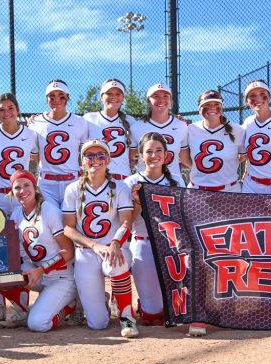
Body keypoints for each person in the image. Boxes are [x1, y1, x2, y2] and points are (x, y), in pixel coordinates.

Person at [61, 139, 139, 338]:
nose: (95, 160)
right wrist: (94, 245)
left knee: (116, 264)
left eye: (100, 155)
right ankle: (103, 300)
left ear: (108, 159)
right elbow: (68, 228)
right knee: (97, 324)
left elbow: (126, 222)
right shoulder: (73, 189)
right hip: (87, 252)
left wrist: (115, 244)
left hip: (113, 248)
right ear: (82, 161)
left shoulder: (119, 187)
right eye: (89, 156)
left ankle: (126, 316)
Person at [8, 170, 76, 332]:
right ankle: (25, 310)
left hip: (61, 277)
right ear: (12, 192)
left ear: (35, 187)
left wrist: (42, 269)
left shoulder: (49, 211)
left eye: (27, 185)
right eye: (17, 188)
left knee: (38, 324)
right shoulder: (16, 215)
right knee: (2, 272)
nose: (22, 191)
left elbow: (68, 251)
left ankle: (70, 306)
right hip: (38, 274)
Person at [124, 133, 179, 327]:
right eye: (148, 151)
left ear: (166, 155)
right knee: (152, 316)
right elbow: (125, 223)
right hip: (143, 243)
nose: (154, 155)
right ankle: (141, 304)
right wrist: (137, 203)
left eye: (158, 151)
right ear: (140, 155)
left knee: (176, 312)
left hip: (171, 247)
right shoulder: (130, 182)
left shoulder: (176, 182)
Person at [30, 80, 90, 209]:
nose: (56, 100)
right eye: (52, 96)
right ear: (46, 99)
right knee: (49, 221)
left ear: (67, 98)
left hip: (72, 181)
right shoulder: (36, 122)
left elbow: (85, 153)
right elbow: (34, 155)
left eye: (61, 96)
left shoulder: (80, 122)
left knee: (71, 221)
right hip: (46, 183)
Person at [0, 93, 38, 217]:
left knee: (22, 233)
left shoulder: (31, 134)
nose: (6, 113)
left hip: (21, 194)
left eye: (10, 108)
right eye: (1, 109)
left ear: (17, 110)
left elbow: (36, 158)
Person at [187, 90, 246, 192]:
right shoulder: (190, 129)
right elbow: (183, 155)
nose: (212, 107)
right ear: (199, 108)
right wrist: (199, 167)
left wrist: (230, 162)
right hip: (197, 190)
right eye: (207, 104)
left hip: (229, 191)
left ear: (222, 107)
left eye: (216, 104)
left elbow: (246, 155)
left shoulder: (237, 130)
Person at [84, 79, 140, 182]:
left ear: (123, 97)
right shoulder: (89, 119)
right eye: (109, 93)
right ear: (101, 96)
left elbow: (133, 154)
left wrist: (176, 119)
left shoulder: (131, 121)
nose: (113, 97)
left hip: (123, 180)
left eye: (118, 94)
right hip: (96, 179)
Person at [135, 82, 192, 181]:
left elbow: (185, 158)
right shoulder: (136, 127)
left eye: (166, 96)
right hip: (144, 183)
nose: (161, 100)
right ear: (148, 102)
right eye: (156, 96)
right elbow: (130, 158)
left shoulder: (181, 126)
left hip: (172, 184)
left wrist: (203, 175)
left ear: (171, 101)